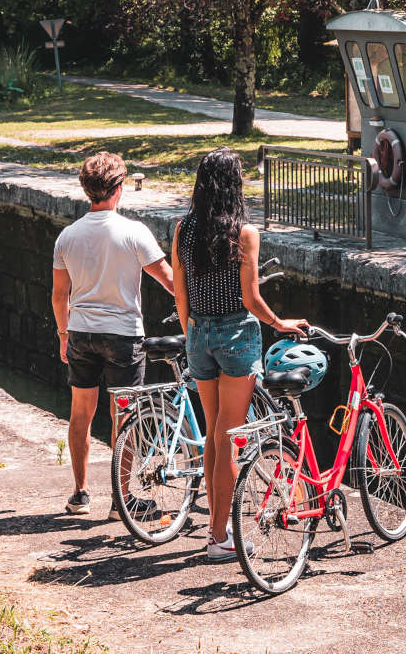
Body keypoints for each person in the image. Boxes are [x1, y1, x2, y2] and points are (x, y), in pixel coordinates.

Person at [172, 148, 305, 560]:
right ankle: (218, 537)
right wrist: (280, 324)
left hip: (197, 332)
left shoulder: (183, 230)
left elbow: (181, 294)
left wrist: (192, 332)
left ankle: (219, 528)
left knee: (214, 432)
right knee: (230, 436)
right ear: (234, 185)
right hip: (235, 336)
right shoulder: (244, 233)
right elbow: (250, 298)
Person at [52, 151, 174, 517]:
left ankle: (80, 493)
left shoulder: (68, 236)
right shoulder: (134, 232)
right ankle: (122, 501)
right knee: (126, 417)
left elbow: (60, 295)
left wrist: (63, 334)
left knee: (80, 413)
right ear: (119, 189)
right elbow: (170, 282)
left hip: (81, 332)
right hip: (123, 335)